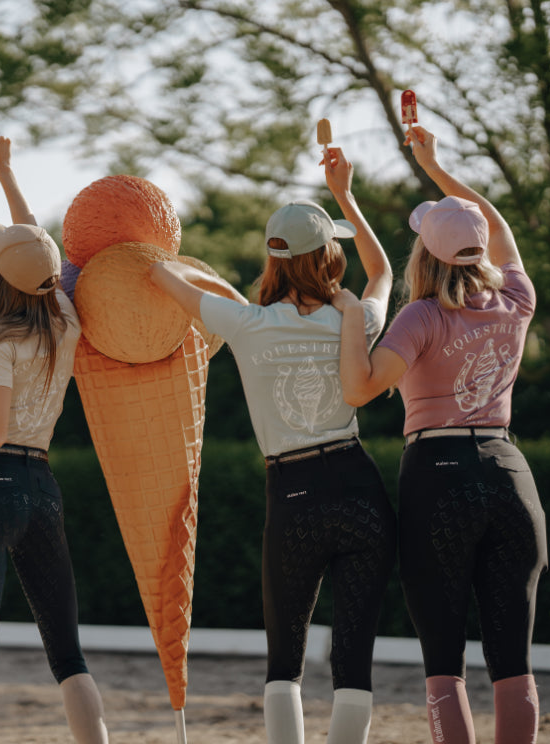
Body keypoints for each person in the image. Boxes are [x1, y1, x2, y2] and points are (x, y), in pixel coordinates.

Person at [150, 146, 395, 744]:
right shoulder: (354, 318)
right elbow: (385, 272)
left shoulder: (242, 322)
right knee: (353, 658)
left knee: (283, 659)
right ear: (328, 256)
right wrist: (346, 196)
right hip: (360, 487)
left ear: (273, 256)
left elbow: (161, 274)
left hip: (294, 494)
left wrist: (138, 250)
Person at [333, 125, 547, 744]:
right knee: (513, 660)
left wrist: (353, 319)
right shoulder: (517, 295)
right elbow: (498, 226)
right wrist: (439, 169)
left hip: (438, 475)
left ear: (423, 253)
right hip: (510, 473)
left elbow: (359, 388)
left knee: (443, 662)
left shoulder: (421, 315)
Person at [0, 130, 109, 744]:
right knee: (67, 651)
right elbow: (34, 242)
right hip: (42, 483)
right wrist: (5, 171)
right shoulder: (65, 319)